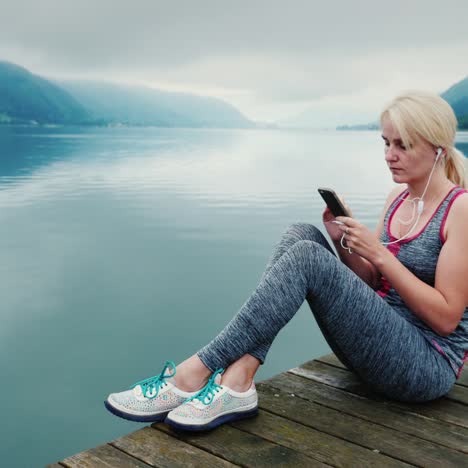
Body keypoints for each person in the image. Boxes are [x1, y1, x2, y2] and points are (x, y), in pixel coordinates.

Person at [105, 91, 468, 431]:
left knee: (309, 257)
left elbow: (447, 318)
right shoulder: (397, 198)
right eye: (386, 143)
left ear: (437, 147)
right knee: (301, 234)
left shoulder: (461, 209)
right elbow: (374, 283)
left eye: (403, 145)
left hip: (426, 366)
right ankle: (238, 380)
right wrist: (345, 244)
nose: (390, 154)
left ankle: (191, 373)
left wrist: (377, 253)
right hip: (381, 347)